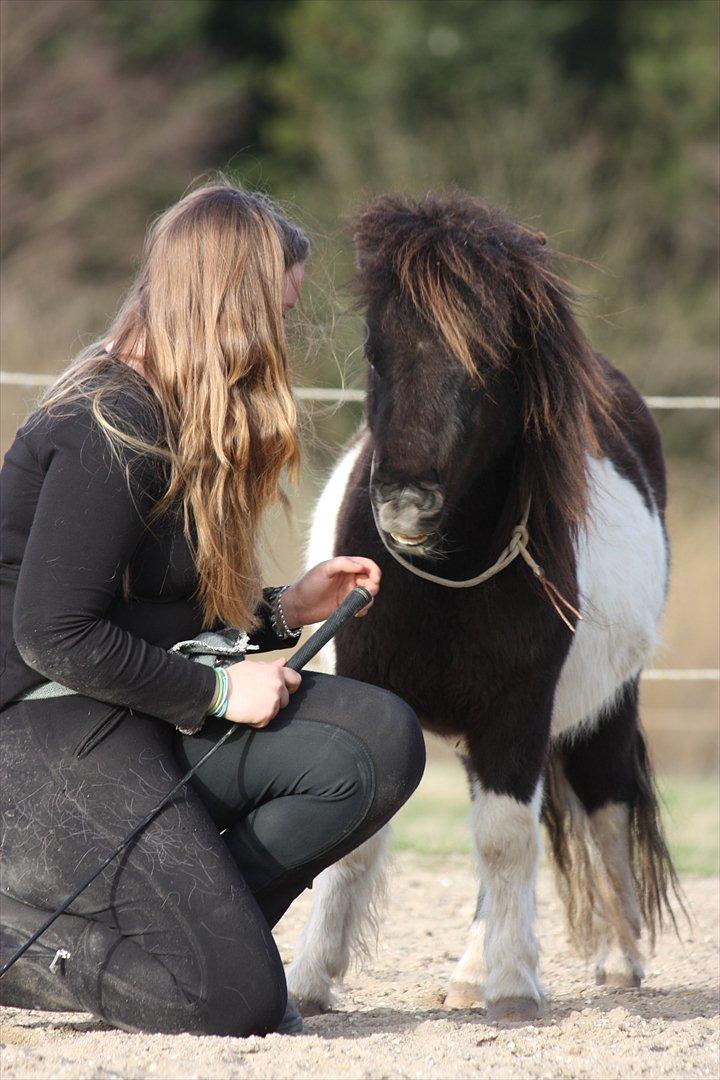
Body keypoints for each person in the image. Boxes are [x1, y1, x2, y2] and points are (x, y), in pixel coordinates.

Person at [0, 182, 425, 1037]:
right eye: (279, 312)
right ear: (232, 308)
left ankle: (201, 941)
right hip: (37, 731)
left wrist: (282, 610)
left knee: (375, 743)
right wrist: (222, 693)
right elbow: (54, 634)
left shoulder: (174, 415)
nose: (284, 338)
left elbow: (148, 614)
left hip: (121, 705)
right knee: (238, 1005)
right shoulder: (110, 422)